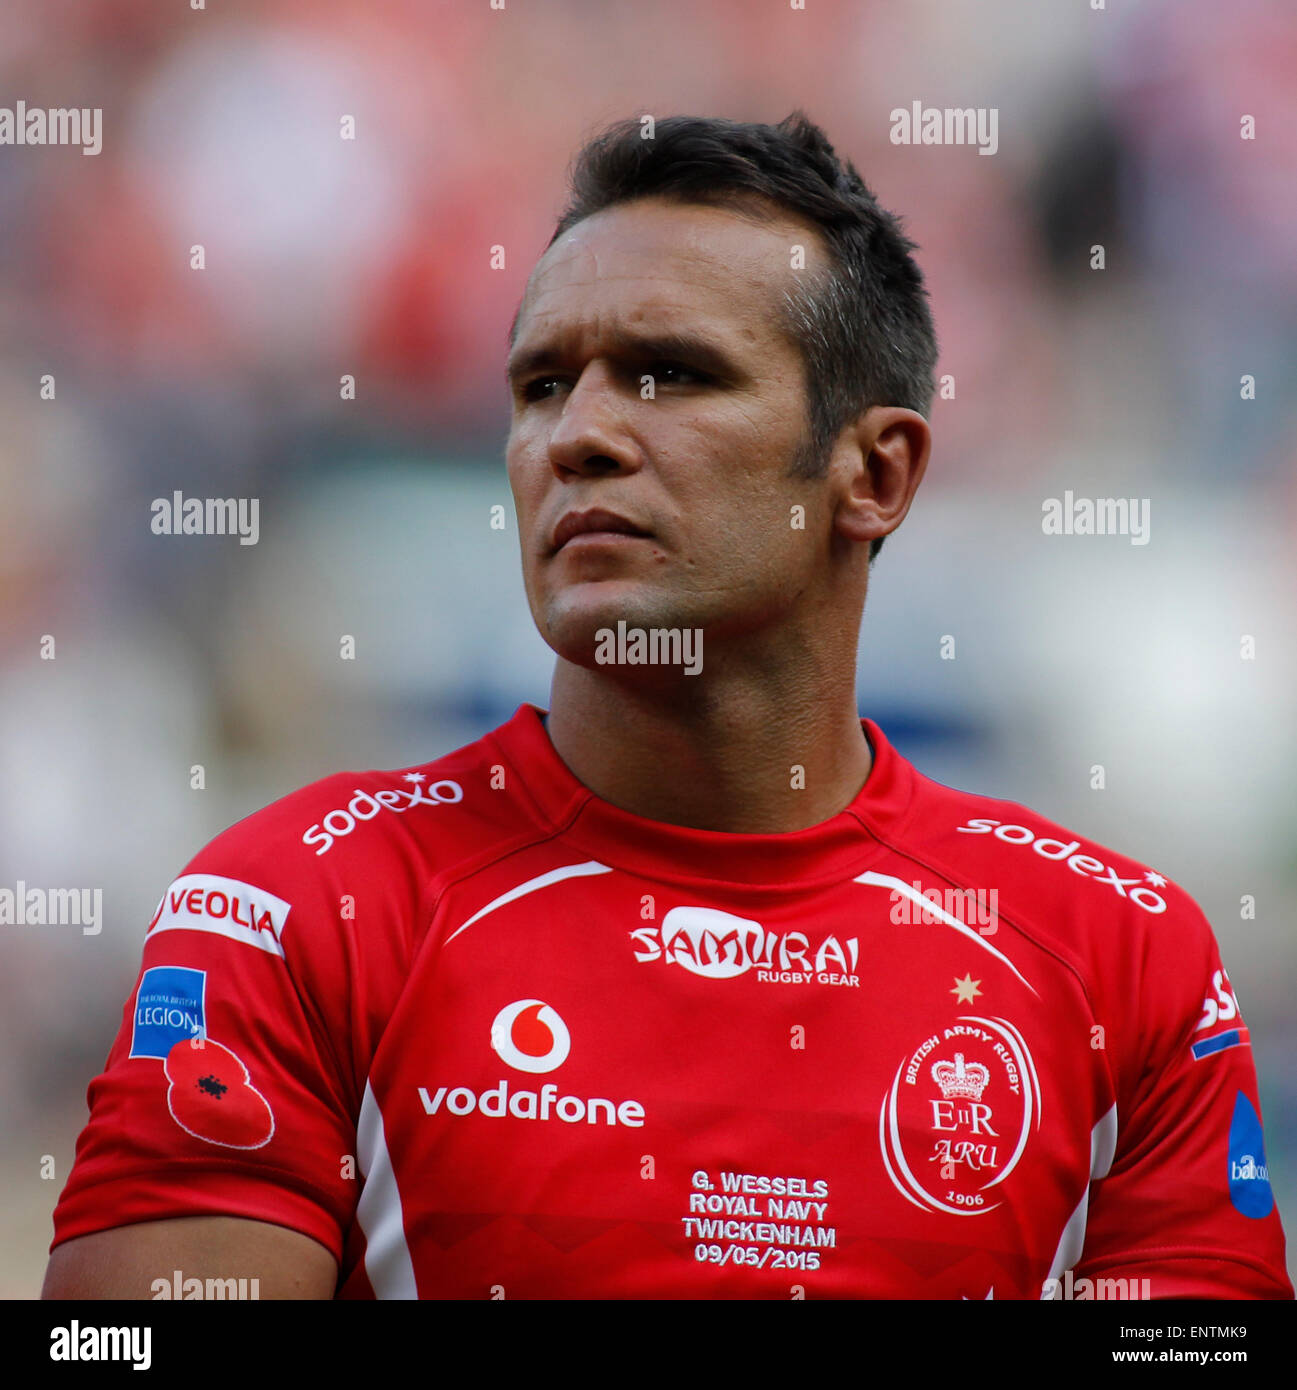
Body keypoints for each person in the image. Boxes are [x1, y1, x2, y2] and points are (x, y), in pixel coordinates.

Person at [43, 113, 1291, 1299]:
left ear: (875, 470)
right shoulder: (299, 907)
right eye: (541, 386)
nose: (576, 436)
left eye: (668, 375)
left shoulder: (1123, 961)